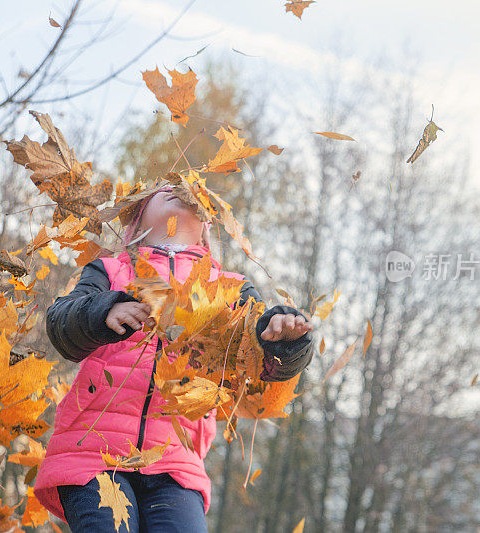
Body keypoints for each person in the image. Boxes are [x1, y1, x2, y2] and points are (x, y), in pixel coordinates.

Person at [34, 185, 315, 532]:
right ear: (136, 222)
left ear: (207, 226)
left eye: (190, 189)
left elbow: (258, 358)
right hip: (94, 455)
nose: (178, 189)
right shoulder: (111, 269)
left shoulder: (228, 287)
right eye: (163, 189)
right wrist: (105, 309)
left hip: (175, 464)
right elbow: (61, 325)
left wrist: (282, 341)